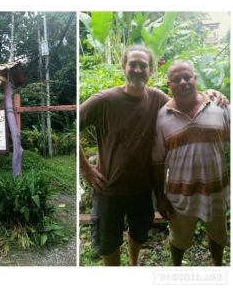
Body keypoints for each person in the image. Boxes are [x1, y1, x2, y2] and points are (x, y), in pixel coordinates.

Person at [80, 46, 226, 266]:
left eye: (143, 65)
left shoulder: (157, 98)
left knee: (138, 234)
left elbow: (185, 99)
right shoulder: (105, 100)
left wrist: (211, 94)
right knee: (108, 242)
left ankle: (134, 265)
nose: (138, 69)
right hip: (109, 187)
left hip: (142, 189)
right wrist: (85, 168)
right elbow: (74, 123)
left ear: (150, 71)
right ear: (123, 67)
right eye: (133, 64)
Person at [152, 60, 230, 266]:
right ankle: (177, 272)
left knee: (217, 235)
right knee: (178, 240)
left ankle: (218, 269)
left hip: (216, 190)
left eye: (187, 77)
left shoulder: (220, 107)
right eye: (176, 79)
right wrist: (160, 197)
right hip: (180, 195)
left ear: (195, 79)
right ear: (169, 85)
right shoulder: (162, 117)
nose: (183, 82)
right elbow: (157, 161)